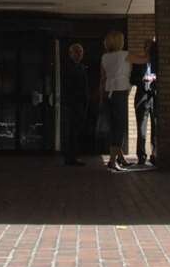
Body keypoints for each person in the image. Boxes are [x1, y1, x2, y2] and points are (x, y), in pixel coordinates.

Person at [99, 31, 132, 170]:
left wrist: (101, 97)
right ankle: (112, 161)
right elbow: (143, 59)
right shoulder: (125, 55)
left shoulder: (105, 57)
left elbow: (103, 78)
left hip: (108, 93)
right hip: (119, 93)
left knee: (114, 126)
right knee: (120, 127)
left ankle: (120, 158)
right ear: (119, 42)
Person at [61, 41, 92, 166]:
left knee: (75, 131)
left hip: (79, 104)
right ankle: (70, 157)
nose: (80, 55)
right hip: (73, 104)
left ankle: (72, 156)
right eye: (77, 52)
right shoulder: (69, 67)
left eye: (81, 52)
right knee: (71, 131)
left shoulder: (80, 67)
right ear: (71, 54)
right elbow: (70, 87)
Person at [132, 39, 159, 166]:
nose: (149, 50)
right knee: (141, 128)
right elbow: (132, 79)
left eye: (151, 48)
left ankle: (155, 154)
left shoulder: (158, 63)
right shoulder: (138, 63)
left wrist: (155, 79)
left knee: (156, 126)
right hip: (141, 97)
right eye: (147, 47)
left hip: (155, 97)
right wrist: (142, 79)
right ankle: (141, 156)